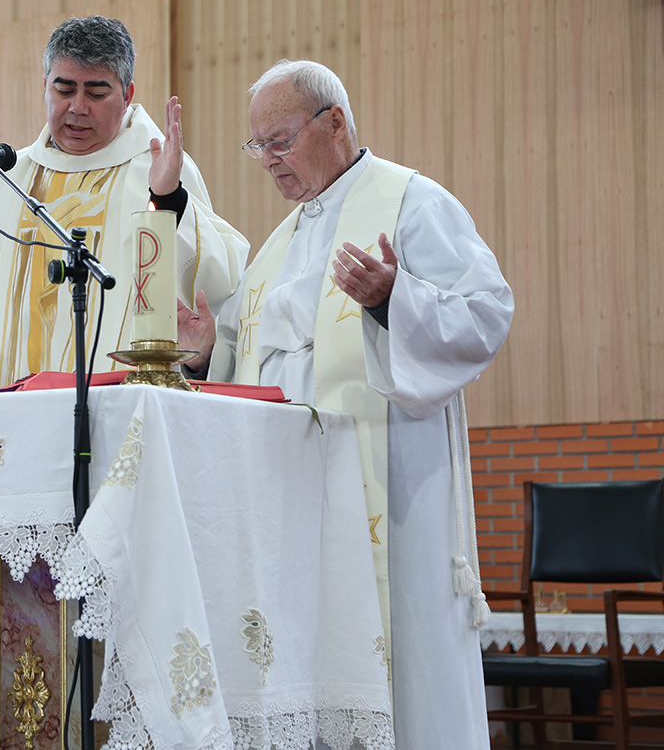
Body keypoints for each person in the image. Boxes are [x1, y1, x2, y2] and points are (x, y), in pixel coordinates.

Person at [179, 59, 513, 748]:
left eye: (280, 140)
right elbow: (248, 370)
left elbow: (486, 312)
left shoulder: (412, 202)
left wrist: (396, 300)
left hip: (390, 492)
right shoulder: (275, 247)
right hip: (295, 506)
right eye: (258, 147)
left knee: (402, 670)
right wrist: (208, 348)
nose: (269, 161)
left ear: (335, 122)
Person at [0, 15, 249, 393]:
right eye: (64, 88)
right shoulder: (14, 175)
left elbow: (218, 282)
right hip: (11, 412)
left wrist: (168, 198)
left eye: (96, 91)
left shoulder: (158, 167)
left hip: (113, 410)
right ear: (44, 85)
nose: (77, 107)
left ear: (127, 95)